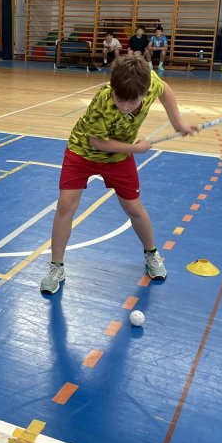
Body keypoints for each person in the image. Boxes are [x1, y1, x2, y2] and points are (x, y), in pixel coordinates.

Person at [40, 54, 199, 295]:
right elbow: (97, 142)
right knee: (65, 205)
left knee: (134, 208)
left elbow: (165, 90)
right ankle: (56, 266)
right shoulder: (102, 99)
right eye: (120, 99)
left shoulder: (150, 83)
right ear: (113, 89)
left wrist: (178, 123)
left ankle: (152, 253)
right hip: (82, 152)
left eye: (132, 101)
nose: (125, 107)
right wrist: (136, 148)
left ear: (144, 92)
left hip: (119, 158)